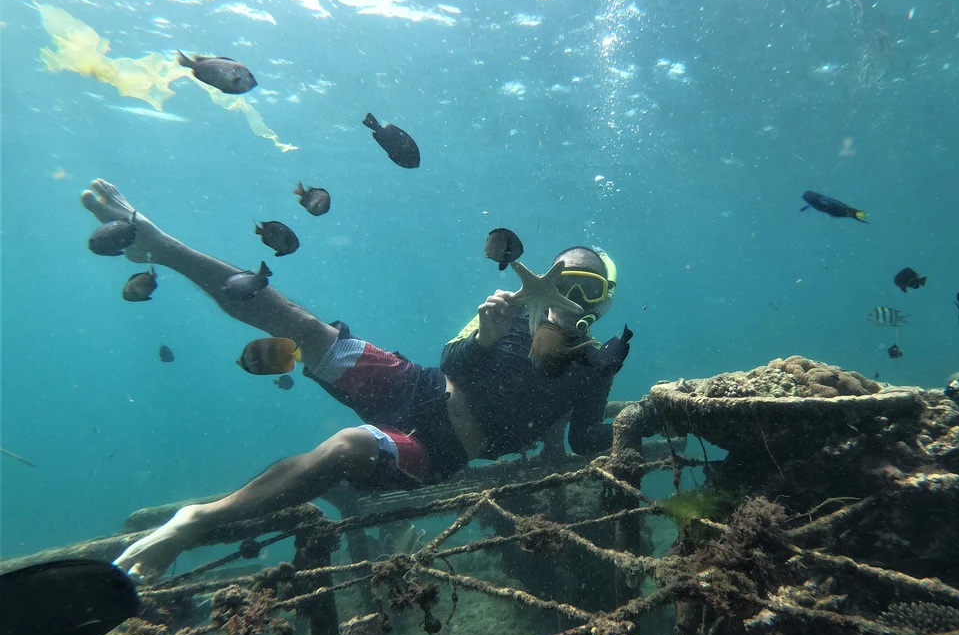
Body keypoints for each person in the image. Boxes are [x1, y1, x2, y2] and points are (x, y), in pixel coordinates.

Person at [80, 180, 626, 580]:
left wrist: (629, 419)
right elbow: (453, 363)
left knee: (348, 447)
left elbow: (585, 438)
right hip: (420, 385)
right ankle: (160, 246)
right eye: (565, 281)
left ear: (601, 306)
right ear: (544, 279)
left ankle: (195, 522)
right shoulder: (508, 311)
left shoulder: (593, 365)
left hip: (442, 448)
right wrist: (486, 335)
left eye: (587, 291)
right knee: (304, 329)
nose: (570, 300)